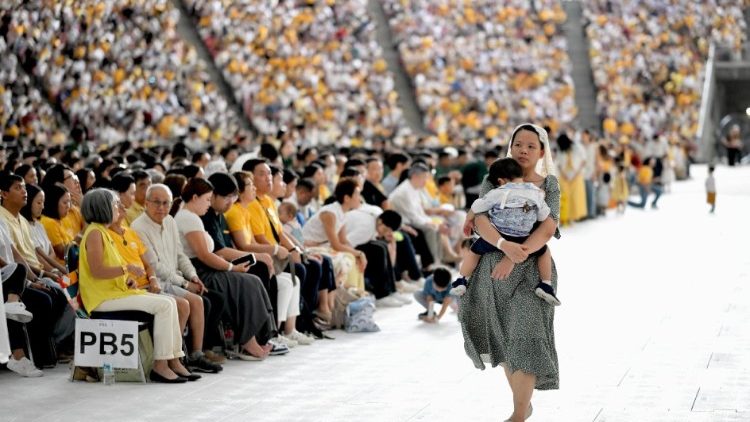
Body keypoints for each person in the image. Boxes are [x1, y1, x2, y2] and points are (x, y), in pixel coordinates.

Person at [459, 124, 561, 422]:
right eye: (519, 144)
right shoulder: (495, 178)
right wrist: (504, 245)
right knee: (504, 338)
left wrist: (517, 255)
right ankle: (523, 404)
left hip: (531, 270)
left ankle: (517, 415)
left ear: (542, 151)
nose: (524, 150)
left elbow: (548, 225)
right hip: (492, 272)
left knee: (527, 334)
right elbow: (480, 219)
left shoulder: (549, 184)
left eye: (531, 146)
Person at [78, 188, 196, 383]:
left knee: (170, 302)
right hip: (102, 299)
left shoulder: (101, 232)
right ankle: (160, 365)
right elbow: (97, 270)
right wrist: (126, 269)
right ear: (103, 208)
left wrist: (127, 279)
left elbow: (108, 269)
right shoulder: (94, 234)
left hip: (114, 292)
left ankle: (174, 359)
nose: (119, 207)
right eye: (115, 204)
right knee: (165, 305)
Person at [174, 177, 285, 360]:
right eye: (207, 199)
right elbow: (204, 255)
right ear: (195, 198)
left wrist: (231, 267)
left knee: (253, 281)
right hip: (202, 272)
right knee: (248, 283)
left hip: (207, 267)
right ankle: (248, 341)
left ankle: (256, 337)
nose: (209, 204)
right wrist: (232, 268)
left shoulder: (193, 217)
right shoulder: (188, 218)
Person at [131, 184, 227, 367]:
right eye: (156, 203)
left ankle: (196, 354)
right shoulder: (138, 227)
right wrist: (184, 283)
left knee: (202, 300)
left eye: (166, 203)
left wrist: (192, 276)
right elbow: (154, 266)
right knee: (193, 301)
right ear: (146, 203)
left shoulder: (170, 221)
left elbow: (180, 255)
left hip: (174, 278)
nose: (161, 207)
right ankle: (176, 355)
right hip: (156, 282)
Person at [451, 158, 559, 306]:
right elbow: (543, 216)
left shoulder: (498, 192)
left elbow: (477, 206)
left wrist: (468, 219)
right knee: (544, 252)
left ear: (501, 181)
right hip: (524, 239)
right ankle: (546, 284)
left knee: (474, 251)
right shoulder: (537, 192)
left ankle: (462, 279)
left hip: (498, 236)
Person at [40, 184, 75, 265]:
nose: (68, 206)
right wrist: (81, 235)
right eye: (65, 202)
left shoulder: (62, 219)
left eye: (69, 202)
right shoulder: (49, 223)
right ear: (54, 202)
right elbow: (63, 253)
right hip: (61, 271)